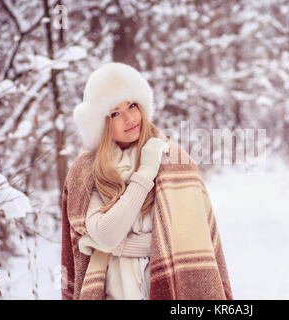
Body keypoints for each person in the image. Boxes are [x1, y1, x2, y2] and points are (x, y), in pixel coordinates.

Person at [61, 62, 232, 300]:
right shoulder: (89, 170)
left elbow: (187, 241)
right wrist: (145, 174)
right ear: (102, 122)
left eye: (132, 105)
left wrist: (112, 247)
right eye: (115, 113)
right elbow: (107, 233)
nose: (130, 118)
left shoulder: (176, 162)